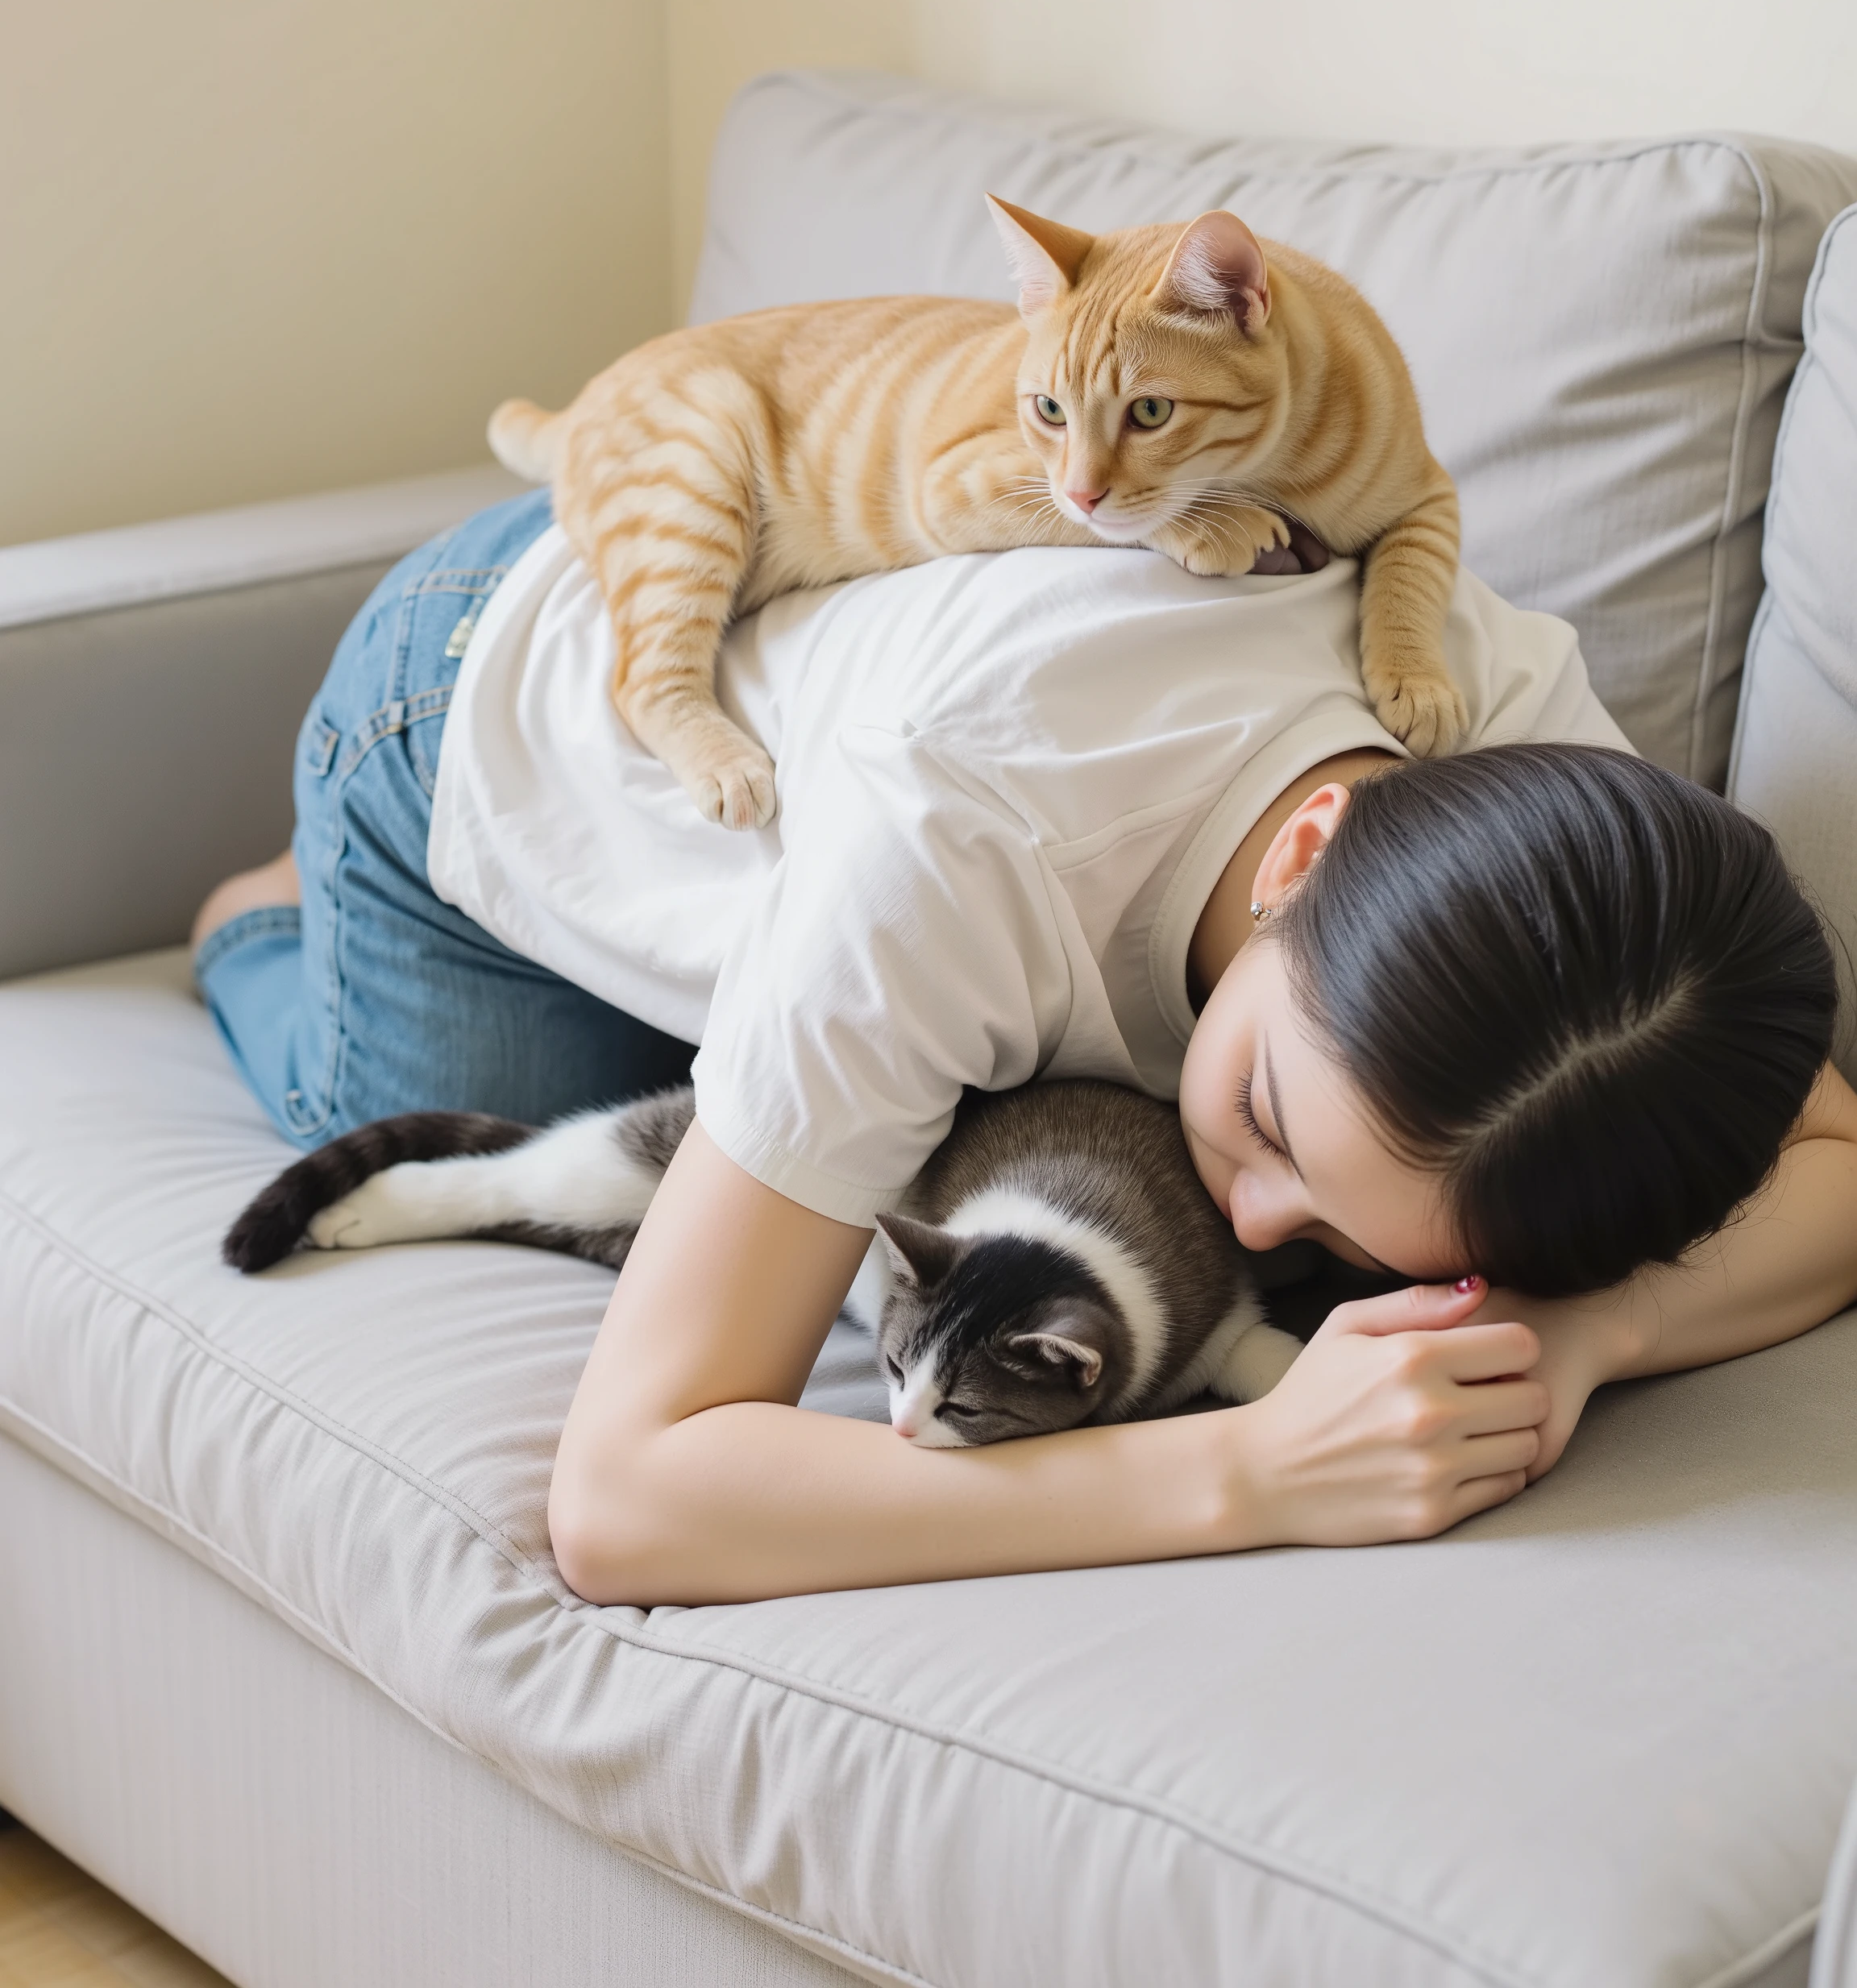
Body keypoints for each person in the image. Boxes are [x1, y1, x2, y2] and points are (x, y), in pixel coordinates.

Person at [194, 491, 1857, 1606]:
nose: (1263, 1231)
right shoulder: (956, 837)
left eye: (1349, 1239)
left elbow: (1835, 1166)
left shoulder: (1579, 853)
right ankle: (261, 921)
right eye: (1267, 1112)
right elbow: (628, 1498)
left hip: (839, 755)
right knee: (502, 1141)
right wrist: (1248, 1473)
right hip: (507, 681)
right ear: (1304, 858)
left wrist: (1573, 1341)